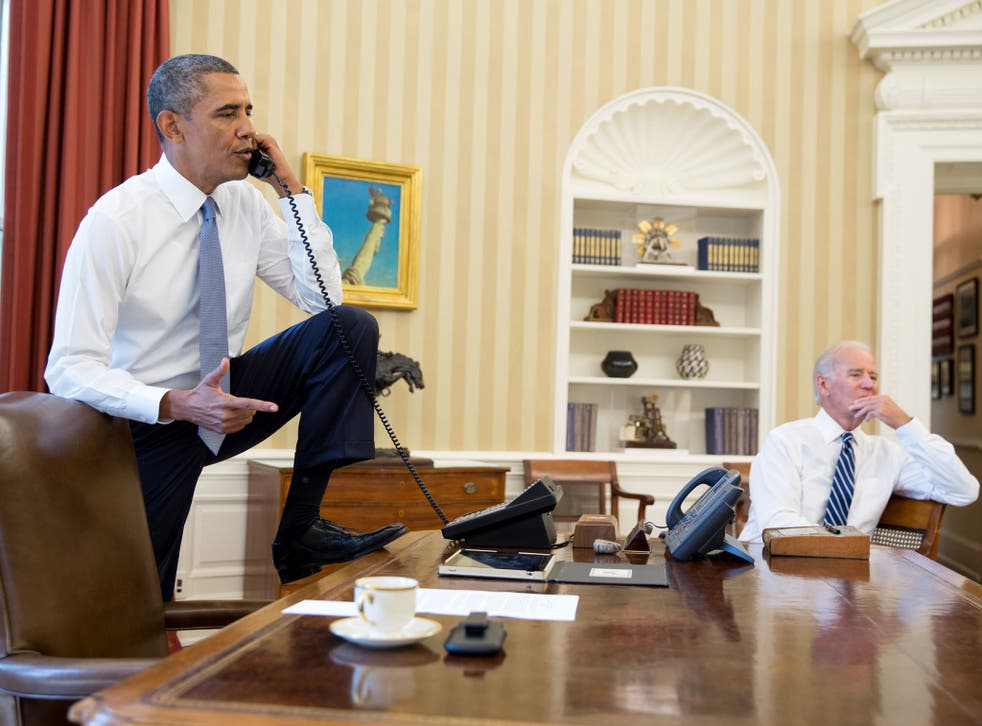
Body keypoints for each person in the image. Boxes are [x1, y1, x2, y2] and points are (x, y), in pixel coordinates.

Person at [45, 54, 407, 599]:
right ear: (172, 126)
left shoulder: (245, 204)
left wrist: (293, 195)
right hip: (142, 429)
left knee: (347, 328)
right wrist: (175, 402)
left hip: (227, 402)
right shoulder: (115, 222)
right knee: (139, 597)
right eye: (227, 113)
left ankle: (300, 530)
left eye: (248, 110)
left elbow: (323, 299)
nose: (248, 130)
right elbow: (67, 368)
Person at [739, 341, 978, 542]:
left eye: (873, 376)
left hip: (848, 583)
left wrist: (905, 425)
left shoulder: (886, 454)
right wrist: (844, 551)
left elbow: (963, 491)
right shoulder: (785, 441)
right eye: (856, 375)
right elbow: (779, 526)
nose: (869, 384)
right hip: (772, 573)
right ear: (824, 385)